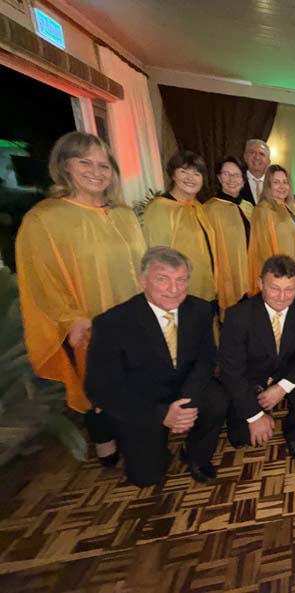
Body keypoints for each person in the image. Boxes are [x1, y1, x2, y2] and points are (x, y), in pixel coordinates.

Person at [15, 131, 146, 466]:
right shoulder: (45, 218)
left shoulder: (124, 215)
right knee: (96, 384)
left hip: (132, 318)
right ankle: (105, 442)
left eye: (104, 165)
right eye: (85, 162)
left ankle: (138, 435)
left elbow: (142, 267)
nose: (96, 171)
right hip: (87, 322)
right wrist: (70, 317)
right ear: (64, 166)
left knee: (135, 380)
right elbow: (42, 278)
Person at [85, 247, 225, 487]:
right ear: (143, 281)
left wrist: (188, 401)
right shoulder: (112, 323)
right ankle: (127, 438)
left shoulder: (200, 309)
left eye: (181, 280)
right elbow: (100, 388)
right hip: (141, 400)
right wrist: (162, 414)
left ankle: (195, 454)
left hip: (184, 387)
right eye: (163, 279)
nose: (174, 289)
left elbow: (206, 358)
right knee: (146, 477)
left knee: (218, 399)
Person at [220, 255, 295, 460]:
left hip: (287, 372)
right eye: (274, 288)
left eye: (289, 289)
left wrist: (283, 387)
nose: (282, 297)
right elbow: (232, 372)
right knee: (242, 437)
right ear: (260, 284)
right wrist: (254, 416)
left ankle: (292, 431)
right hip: (251, 377)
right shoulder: (237, 316)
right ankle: (242, 417)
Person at [143, 150, 218, 303]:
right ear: (173, 175)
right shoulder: (160, 208)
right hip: (177, 294)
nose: (190, 178)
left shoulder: (198, 206)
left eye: (197, 173)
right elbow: (158, 256)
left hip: (205, 290)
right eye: (183, 171)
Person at [203, 156, 252, 315]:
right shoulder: (210, 209)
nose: (231, 179)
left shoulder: (248, 207)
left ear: (243, 180)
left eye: (236, 175)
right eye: (226, 174)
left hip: (252, 274)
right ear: (219, 177)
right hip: (227, 276)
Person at [247, 164, 295, 292]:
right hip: (280, 276)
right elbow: (262, 250)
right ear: (268, 185)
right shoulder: (263, 210)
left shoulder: (293, 207)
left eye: (285, 182)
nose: (282, 186)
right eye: (276, 182)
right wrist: (275, 277)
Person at [239, 139, 270, 207]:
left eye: (262, 154)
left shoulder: (274, 184)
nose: (257, 157)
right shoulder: (235, 182)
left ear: (268, 161)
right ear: (245, 157)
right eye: (252, 152)